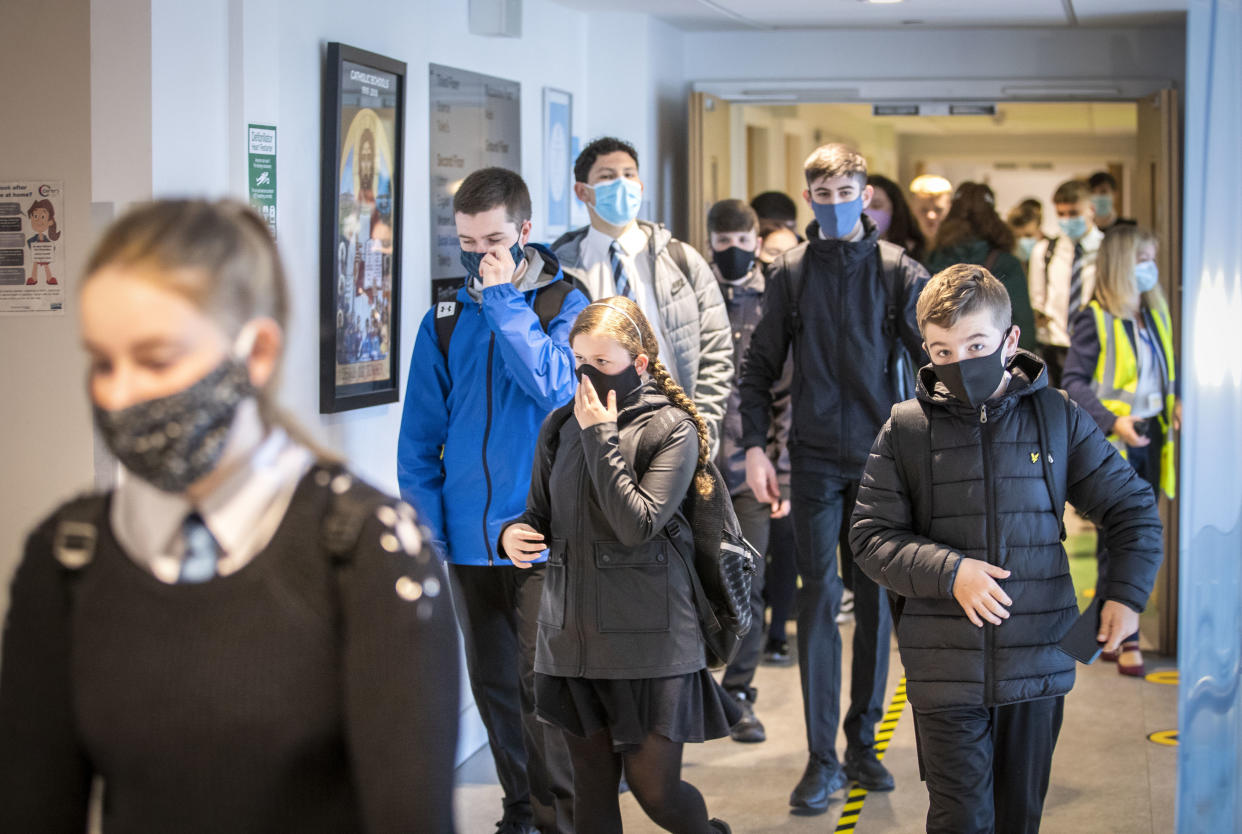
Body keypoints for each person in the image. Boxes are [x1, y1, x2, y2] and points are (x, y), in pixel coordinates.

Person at [0, 199, 459, 833]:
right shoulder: (68, 556)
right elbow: (34, 806)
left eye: (157, 359)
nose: (120, 392)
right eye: (103, 363)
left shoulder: (369, 551)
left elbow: (410, 817)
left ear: (258, 352)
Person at [850, 263, 1163, 834]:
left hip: (1036, 663)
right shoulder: (906, 430)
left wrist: (1124, 594)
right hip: (943, 666)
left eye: (976, 344)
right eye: (942, 351)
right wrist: (951, 571)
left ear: (1009, 340)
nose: (959, 362)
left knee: (1019, 819)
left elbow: (1131, 508)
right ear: (925, 348)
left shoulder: (1057, 418)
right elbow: (870, 538)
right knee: (961, 819)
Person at [740, 143, 930, 813]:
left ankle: (862, 744)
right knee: (818, 599)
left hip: (884, 462)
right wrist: (757, 450)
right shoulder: (789, 274)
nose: (834, 201)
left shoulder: (898, 273)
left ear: (865, 190)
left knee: (876, 604)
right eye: (821, 192)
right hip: (814, 460)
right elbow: (758, 369)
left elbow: (933, 365)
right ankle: (821, 760)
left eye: (846, 189)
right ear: (810, 196)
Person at [501, 297, 736, 834]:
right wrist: (512, 533)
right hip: (573, 640)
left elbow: (638, 524)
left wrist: (600, 436)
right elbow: (538, 514)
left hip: (651, 641)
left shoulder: (671, 429)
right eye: (578, 360)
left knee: (658, 792)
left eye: (602, 363)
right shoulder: (559, 427)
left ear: (640, 365)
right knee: (591, 794)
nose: (586, 375)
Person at [398, 167, 585, 834]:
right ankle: (518, 812)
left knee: (543, 690)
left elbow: (558, 391)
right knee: (495, 689)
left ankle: (558, 816)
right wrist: (427, 531)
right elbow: (419, 440)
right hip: (467, 538)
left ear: (526, 232)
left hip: (542, 533)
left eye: (495, 240)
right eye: (467, 243)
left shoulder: (564, 303)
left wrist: (505, 302)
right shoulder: (443, 320)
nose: (481, 256)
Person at [551, 137, 732, 448]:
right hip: (593, 433)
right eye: (607, 176)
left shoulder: (681, 260)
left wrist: (702, 431)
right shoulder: (561, 269)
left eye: (629, 174)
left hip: (676, 430)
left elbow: (717, 351)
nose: (621, 184)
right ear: (582, 191)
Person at [1063, 225, 1179, 677]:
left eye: (1152, 257)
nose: (1150, 268)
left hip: (1153, 437)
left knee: (1138, 536)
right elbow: (1073, 383)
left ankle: (1109, 632)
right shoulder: (1094, 317)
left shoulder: (1154, 316)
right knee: (1121, 539)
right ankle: (1121, 636)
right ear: (1120, 264)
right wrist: (1115, 421)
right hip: (1114, 444)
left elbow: (1166, 373)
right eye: (1142, 258)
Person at [704, 199, 793, 743]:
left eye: (744, 242)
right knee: (695, 584)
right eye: (724, 242)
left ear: (757, 242)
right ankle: (695, 692)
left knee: (749, 583)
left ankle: (738, 694)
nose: (734, 251)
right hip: (696, 467)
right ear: (711, 241)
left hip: (755, 471)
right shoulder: (695, 294)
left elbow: (788, 391)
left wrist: (780, 466)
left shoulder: (777, 297)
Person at [926, 182, 1038, 352]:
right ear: (993, 216)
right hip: (989, 357)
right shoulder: (1006, 263)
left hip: (942, 358)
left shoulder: (932, 259)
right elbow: (1023, 326)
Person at [1028, 178, 1103, 388]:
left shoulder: (1107, 250)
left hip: (1095, 345)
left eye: (1074, 213)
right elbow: (1037, 299)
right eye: (1061, 214)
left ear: (1091, 209)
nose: (1067, 219)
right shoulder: (1044, 251)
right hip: (1055, 346)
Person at [867, 173, 928, 264]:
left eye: (876, 206)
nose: (867, 212)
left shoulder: (913, 253)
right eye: (861, 206)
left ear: (895, 209)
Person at [25, 198, 61, 285]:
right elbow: (30, 242)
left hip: (44, 254)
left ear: (50, 222)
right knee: (35, 263)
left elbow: (51, 247)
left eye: (43, 217)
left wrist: (47, 250)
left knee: (46, 265)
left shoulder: (46, 240)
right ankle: (34, 278)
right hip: (37, 253)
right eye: (35, 216)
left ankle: (49, 278)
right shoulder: (34, 239)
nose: (38, 220)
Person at [908, 174, 953, 243]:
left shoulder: (960, 247)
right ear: (911, 209)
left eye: (938, 210)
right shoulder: (901, 246)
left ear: (950, 208)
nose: (931, 216)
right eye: (924, 210)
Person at [1007, 198, 1047, 267]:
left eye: (1028, 236)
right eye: (1018, 237)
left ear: (1039, 231)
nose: (1023, 240)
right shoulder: (1005, 262)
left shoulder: (1051, 256)